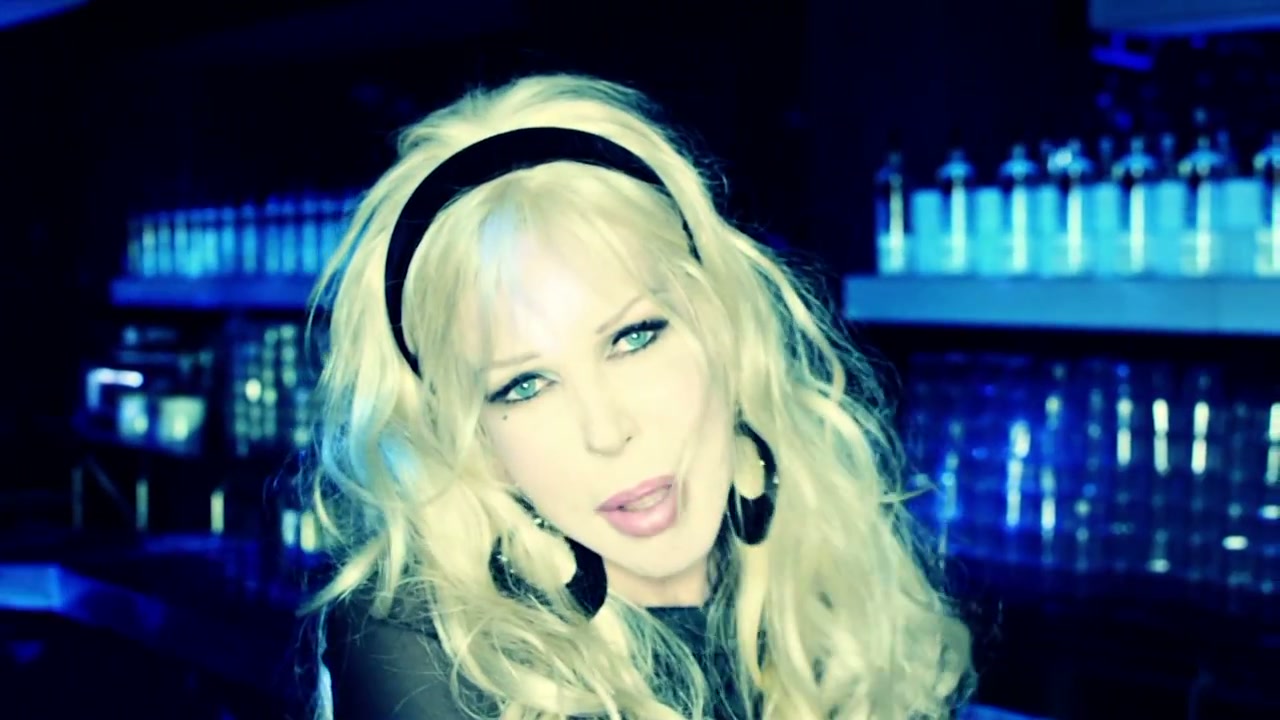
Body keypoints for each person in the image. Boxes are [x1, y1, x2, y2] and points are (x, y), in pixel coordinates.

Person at [299, 73, 973, 719]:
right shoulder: (425, 647)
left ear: (723, 326)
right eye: (525, 385)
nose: (607, 430)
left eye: (634, 337)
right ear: (475, 438)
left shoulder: (835, 553)